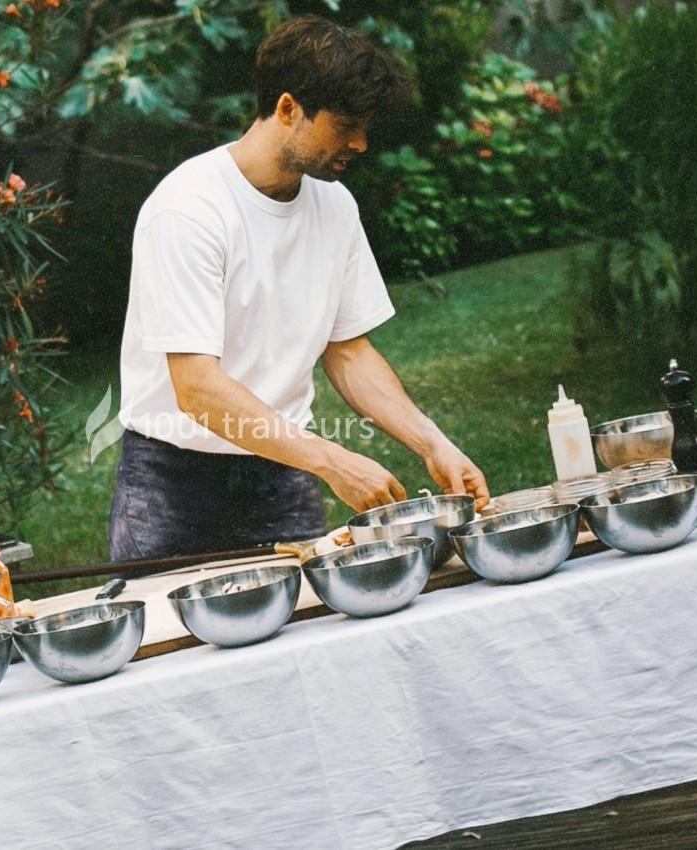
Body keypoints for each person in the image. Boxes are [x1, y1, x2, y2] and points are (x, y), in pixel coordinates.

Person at [109, 14, 489, 562]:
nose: (360, 143)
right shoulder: (188, 210)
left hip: (285, 474)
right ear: (288, 109)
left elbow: (349, 351)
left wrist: (434, 445)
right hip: (173, 485)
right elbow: (195, 386)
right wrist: (332, 460)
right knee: (173, 643)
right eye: (345, 125)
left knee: (316, 634)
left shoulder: (334, 205)